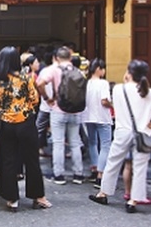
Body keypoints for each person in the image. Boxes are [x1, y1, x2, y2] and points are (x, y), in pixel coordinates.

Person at [89, 60, 151, 213]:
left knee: (113, 162)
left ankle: (103, 193)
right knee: (140, 167)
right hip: (143, 133)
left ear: (129, 73)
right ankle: (133, 200)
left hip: (123, 131)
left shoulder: (119, 89)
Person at [0, 46, 51, 211]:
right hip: (25, 123)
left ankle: (12, 199)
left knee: (9, 161)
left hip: (6, 124)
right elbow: (34, 99)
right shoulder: (25, 78)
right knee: (32, 160)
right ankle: (38, 197)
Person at [42, 46, 85, 185]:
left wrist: (47, 97)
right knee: (75, 143)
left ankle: (58, 174)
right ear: (70, 58)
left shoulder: (54, 70)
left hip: (58, 110)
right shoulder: (77, 70)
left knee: (58, 143)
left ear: (57, 58)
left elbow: (40, 83)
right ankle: (78, 174)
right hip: (76, 111)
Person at [82, 58, 112, 187]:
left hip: (88, 117)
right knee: (105, 145)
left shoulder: (86, 83)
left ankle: (94, 170)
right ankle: (101, 175)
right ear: (99, 69)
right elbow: (104, 101)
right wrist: (113, 105)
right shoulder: (103, 83)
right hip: (102, 117)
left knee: (92, 143)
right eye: (103, 69)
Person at [35, 49, 56, 159]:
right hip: (57, 106)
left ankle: (39, 149)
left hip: (45, 105)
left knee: (39, 129)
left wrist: (45, 98)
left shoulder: (43, 72)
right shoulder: (57, 71)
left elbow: (38, 85)